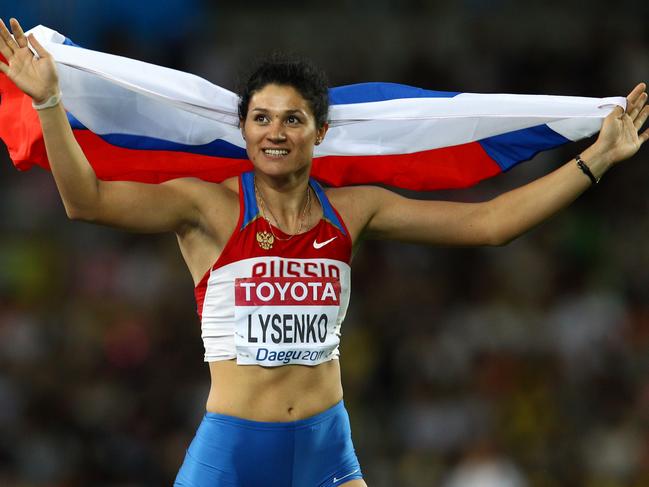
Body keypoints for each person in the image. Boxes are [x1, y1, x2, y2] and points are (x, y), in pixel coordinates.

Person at [1, 16, 647, 487]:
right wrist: (50, 100)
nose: (273, 132)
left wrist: (594, 159)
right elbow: (84, 199)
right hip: (231, 456)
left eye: (290, 119)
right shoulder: (208, 206)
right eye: (259, 118)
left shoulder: (354, 210)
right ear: (243, 129)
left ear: (320, 132)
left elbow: (490, 224)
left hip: (326, 454)